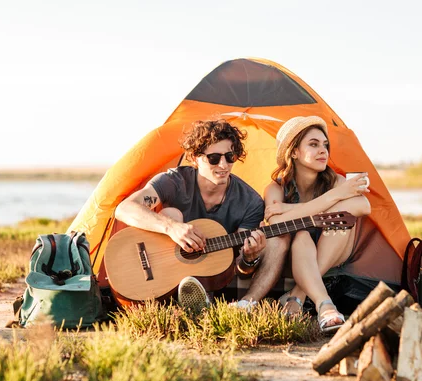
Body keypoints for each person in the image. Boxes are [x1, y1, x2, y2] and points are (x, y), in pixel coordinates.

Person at [115, 119, 276, 310]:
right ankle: (173, 295)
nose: (224, 165)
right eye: (214, 158)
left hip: (210, 276)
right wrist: (171, 227)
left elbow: (242, 270)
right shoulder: (174, 181)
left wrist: (250, 258)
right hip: (159, 266)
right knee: (171, 213)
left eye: (230, 156)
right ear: (194, 157)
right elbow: (124, 209)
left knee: (215, 262)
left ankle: (193, 299)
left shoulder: (251, 202)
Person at [263, 116, 371, 332]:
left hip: (335, 248)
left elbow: (363, 206)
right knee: (302, 235)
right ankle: (325, 305)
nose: (323, 150)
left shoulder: (336, 181)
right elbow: (275, 223)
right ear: (294, 152)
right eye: (313, 144)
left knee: (339, 223)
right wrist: (334, 198)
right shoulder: (276, 188)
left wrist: (291, 209)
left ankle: (297, 294)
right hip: (296, 254)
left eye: (325, 145)